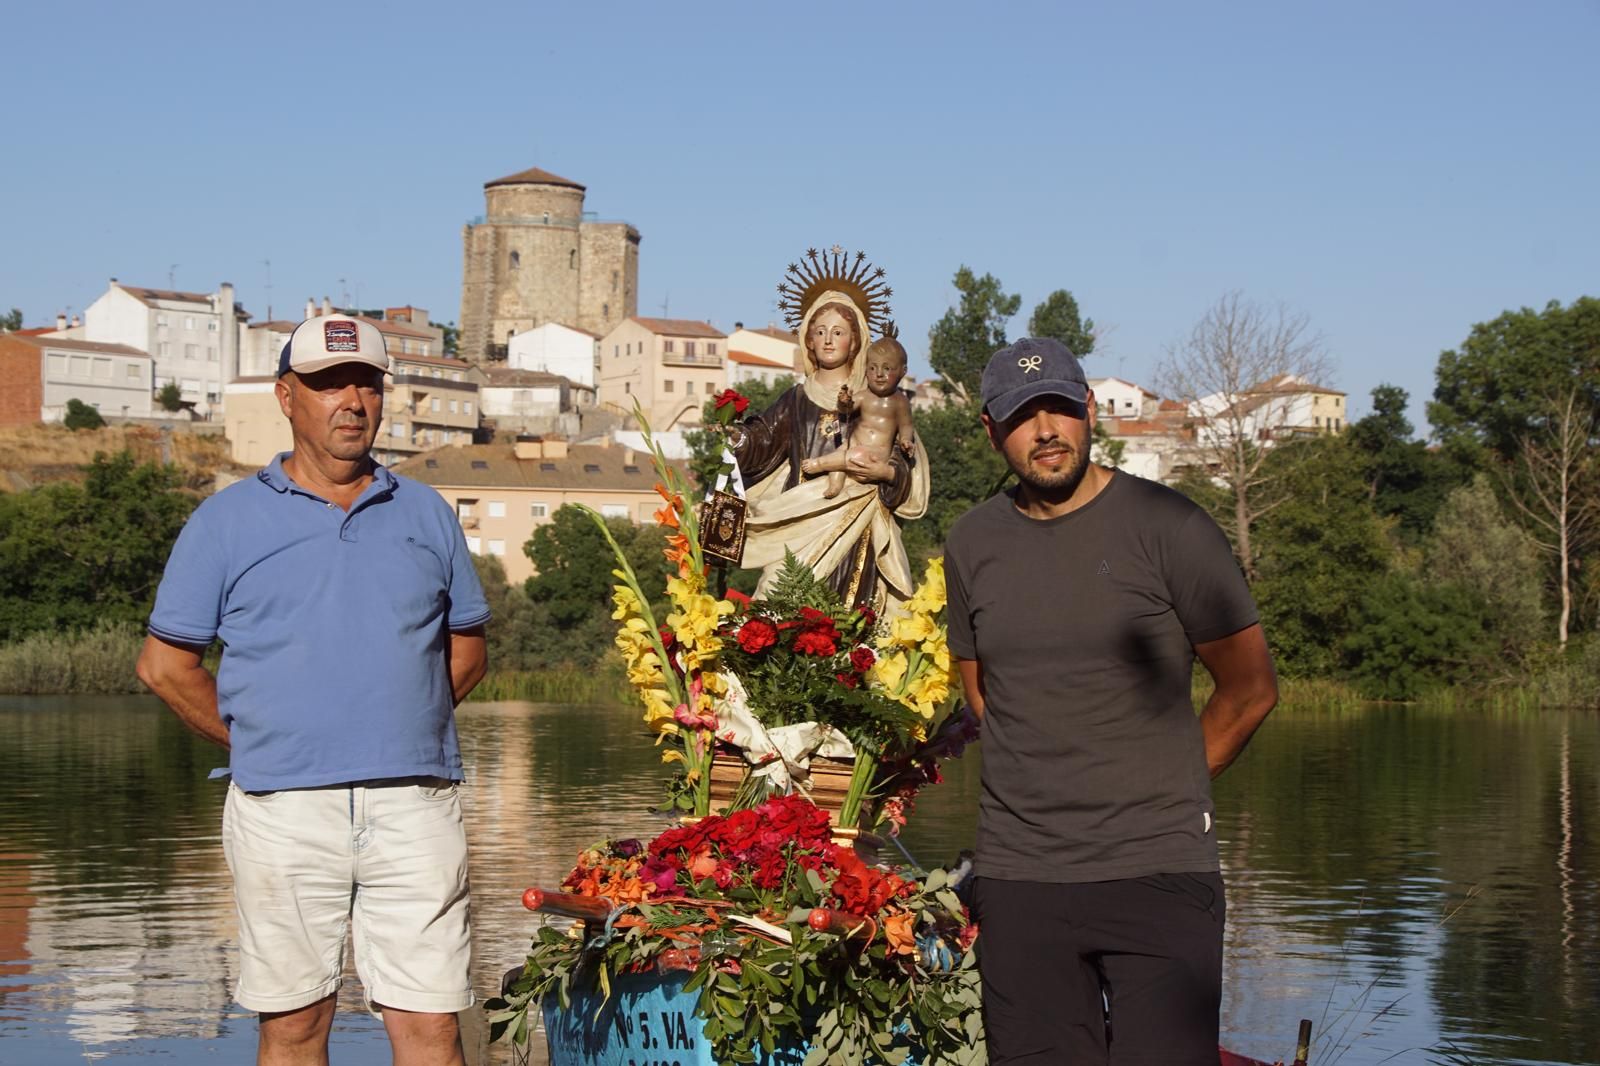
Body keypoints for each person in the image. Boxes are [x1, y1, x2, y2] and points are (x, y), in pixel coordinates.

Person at [136, 313, 490, 1066]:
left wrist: (400, 719)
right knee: (295, 1028)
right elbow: (165, 667)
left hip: (415, 805)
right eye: (330, 384)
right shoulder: (225, 522)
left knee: (430, 1028)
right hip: (282, 811)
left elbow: (467, 650)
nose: (352, 401)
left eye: (366, 382)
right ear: (286, 396)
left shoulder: (427, 513)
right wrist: (259, 738)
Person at [943, 337, 1278, 1065]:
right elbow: (983, 695)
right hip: (1022, 879)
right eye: (1023, 416)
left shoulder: (1171, 528)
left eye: (1060, 409)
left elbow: (1249, 689)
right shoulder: (971, 544)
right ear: (992, 430)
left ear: (1090, 411)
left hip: (1158, 873)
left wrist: (1167, 790)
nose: (1046, 431)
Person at [727, 255, 929, 613]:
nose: (828, 340)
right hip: (800, 513)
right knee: (779, 602)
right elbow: (763, 439)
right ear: (807, 339)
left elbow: (902, 456)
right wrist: (739, 439)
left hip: (857, 515)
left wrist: (885, 473)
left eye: (838, 332)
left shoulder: (877, 398)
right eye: (819, 331)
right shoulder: (796, 399)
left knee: (850, 617)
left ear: (856, 341)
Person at [800, 326, 916, 500]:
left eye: (887, 369)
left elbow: (906, 426)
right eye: (872, 368)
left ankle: (819, 463)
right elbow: (846, 411)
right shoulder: (864, 396)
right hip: (854, 445)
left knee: (849, 457)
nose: (879, 374)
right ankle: (835, 485)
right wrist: (844, 401)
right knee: (840, 455)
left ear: (902, 371)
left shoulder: (900, 402)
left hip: (874, 454)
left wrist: (906, 440)